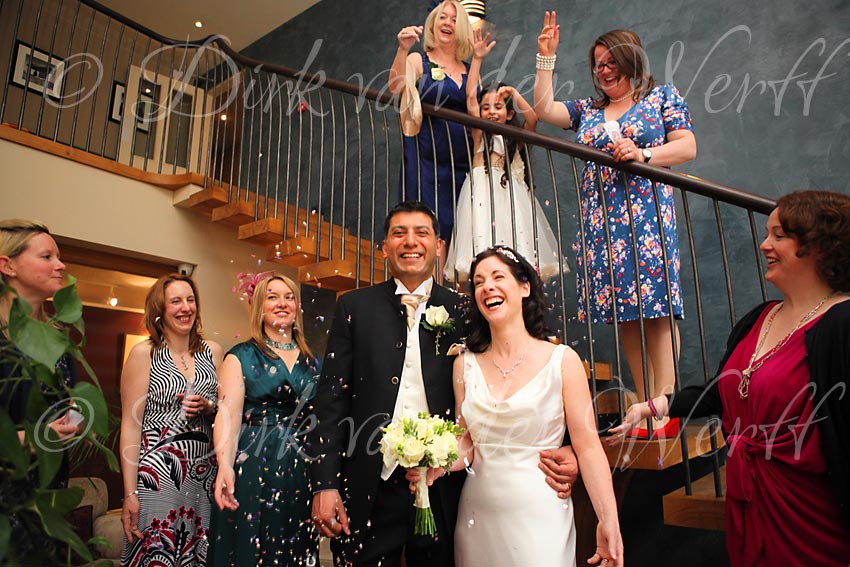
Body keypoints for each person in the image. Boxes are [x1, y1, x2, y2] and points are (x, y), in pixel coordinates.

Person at [309, 201, 578, 567]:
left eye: (421, 233)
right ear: (384, 247)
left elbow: (518, 370)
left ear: (439, 247)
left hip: (446, 486)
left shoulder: (469, 309)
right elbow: (331, 402)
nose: (410, 241)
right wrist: (325, 483)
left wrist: (567, 448)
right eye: (399, 233)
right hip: (371, 482)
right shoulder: (354, 307)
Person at [608, 190, 850, 566]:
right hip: (750, 506)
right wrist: (653, 406)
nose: (764, 245)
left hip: (812, 517)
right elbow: (724, 389)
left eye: (779, 236)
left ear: (818, 245)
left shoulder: (842, 322)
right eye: (767, 234)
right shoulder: (759, 318)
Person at [534, 14, 697, 432]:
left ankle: (664, 404)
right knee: (624, 312)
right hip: (602, 223)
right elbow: (545, 109)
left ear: (630, 60)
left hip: (647, 217)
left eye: (610, 62)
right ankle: (645, 403)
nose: (603, 70)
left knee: (657, 308)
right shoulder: (589, 110)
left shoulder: (661, 98)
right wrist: (545, 58)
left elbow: (686, 147)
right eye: (598, 64)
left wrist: (643, 155)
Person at [444, 246, 622, 567]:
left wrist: (607, 519)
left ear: (524, 287)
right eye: (479, 282)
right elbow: (465, 443)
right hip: (476, 518)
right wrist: (435, 461)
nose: (487, 287)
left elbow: (588, 447)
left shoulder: (562, 361)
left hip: (541, 517)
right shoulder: (464, 365)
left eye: (498, 277)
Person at [208, 274, 320, 566]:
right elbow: (228, 416)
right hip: (255, 462)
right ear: (259, 307)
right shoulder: (240, 357)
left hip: (302, 467)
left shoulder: (314, 362)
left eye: (289, 297)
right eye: (272, 297)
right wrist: (224, 465)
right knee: (253, 545)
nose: (282, 303)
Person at [120, 274, 223, 566]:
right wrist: (129, 493)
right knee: (158, 553)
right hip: (157, 478)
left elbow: (228, 413)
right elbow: (130, 426)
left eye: (190, 300)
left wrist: (209, 407)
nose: (185, 307)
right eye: (175, 301)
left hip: (204, 476)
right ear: (160, 309)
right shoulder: (144, 354)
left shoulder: (214, 352)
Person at [445, 28, 561, 282]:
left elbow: (532, 119)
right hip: (481, 196)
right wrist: (477, 59)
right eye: (486, 108)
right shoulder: (479, 135)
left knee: (514, 245)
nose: (491, 112)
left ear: (509, 114)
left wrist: (514, 94)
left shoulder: (513, 140)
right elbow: (470, 97)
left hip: (511, 198)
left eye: (497, 107)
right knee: (482, 241)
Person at [389, 0, 474, 239]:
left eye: (455, 20)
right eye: (442, 17)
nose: (448, 23)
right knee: (429, 225)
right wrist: (403, 50)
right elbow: (396, 87)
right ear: (433, 24)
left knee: (461, 230)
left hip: (463, 162)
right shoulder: (420, 60)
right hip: (427, 159)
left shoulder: (469, 68)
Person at [0, 220, 78, 469]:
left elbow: (68, 402)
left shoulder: (58, 335)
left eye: (58, 257)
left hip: (52, 483)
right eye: (47, 257)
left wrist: (77, 419)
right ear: (7, 266)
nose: (60, 265)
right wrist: (36, 439)